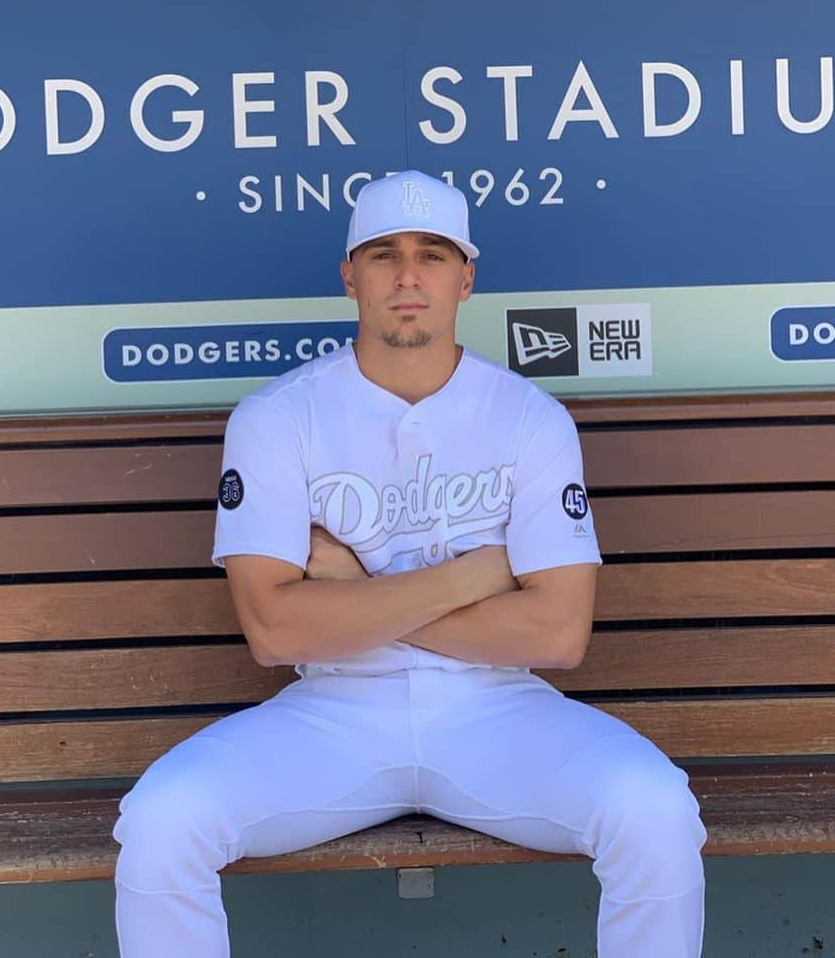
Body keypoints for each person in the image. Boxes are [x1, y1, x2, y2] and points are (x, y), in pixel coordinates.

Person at [113, 170, 707, 956]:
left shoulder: (529, 418)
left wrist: (361, 597)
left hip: (498, 712)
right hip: (334, 717)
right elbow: (276, 628)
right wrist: (473, 575)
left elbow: (559, 634)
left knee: (658, 812)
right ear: (348, 274)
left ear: (466, 277)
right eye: (383, 253)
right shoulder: (277, 418)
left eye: (432, 254)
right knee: (160, 822)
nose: (406, 275)